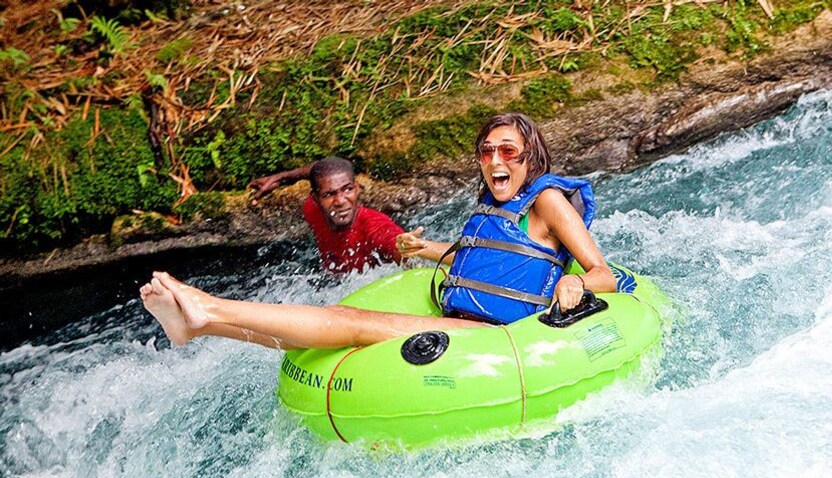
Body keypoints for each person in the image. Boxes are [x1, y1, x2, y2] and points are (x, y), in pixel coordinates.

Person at [141, 113, 616, 350]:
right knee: (343, 321)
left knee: (346, 319)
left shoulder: (547, 202)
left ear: (530, 157)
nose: (495, 161)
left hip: (497, 340)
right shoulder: (494, 205)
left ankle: (208, 307)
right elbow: (495, 266)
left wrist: (574, 281)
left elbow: (602, 274)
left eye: (508, 151)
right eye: (486, 151)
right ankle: (204, 327)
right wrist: (429, 248)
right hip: (471, 323)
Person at [248, 157, 404, 274]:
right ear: (316, 198)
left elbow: (403, 250)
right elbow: (319, 169)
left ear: (357, 189)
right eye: (329, 194)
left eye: (348, 189)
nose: (340, 201)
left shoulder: (373, 225)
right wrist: (282, 178)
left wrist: (408, 248)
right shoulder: (312, 210)